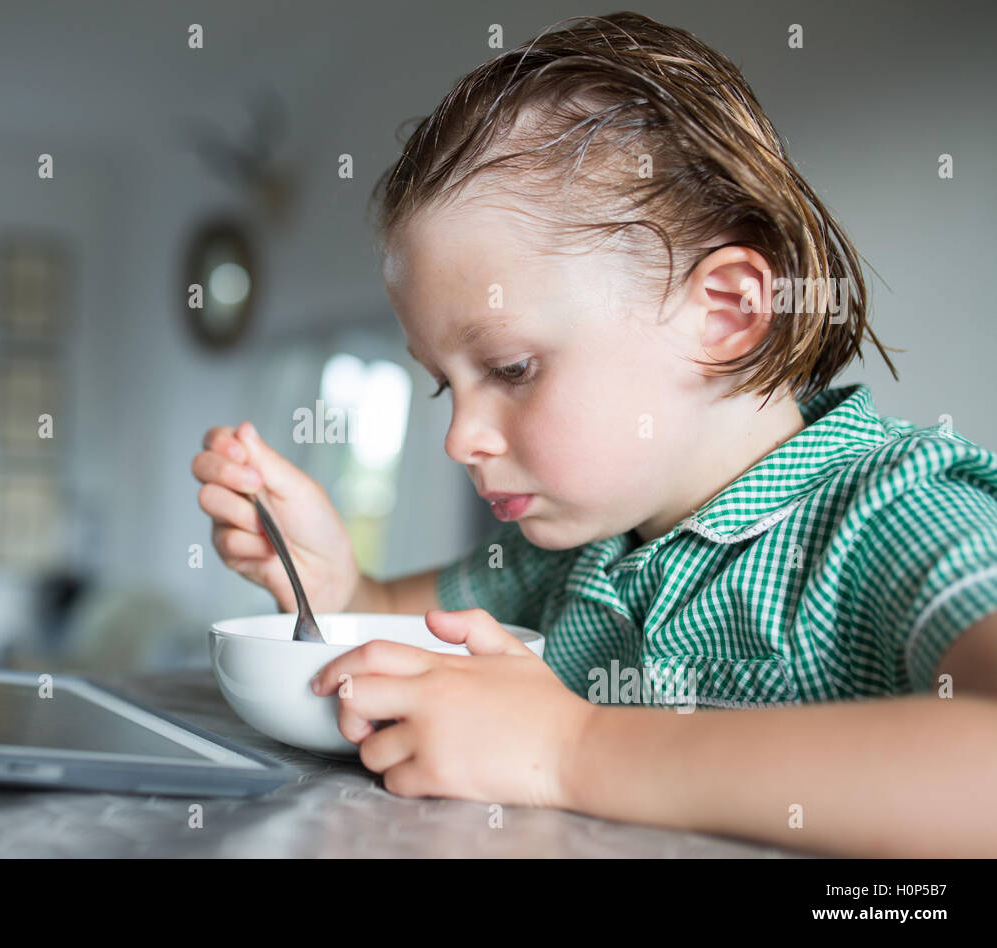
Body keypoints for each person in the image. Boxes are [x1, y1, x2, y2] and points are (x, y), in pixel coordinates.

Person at [191, 12, 997, 857]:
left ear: (725, 313)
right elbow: (394, 624)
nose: (460, 438)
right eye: (443, 384)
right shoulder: (578, 553)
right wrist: (336, 582)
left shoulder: (900, 520)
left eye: (510, 369)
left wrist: (565, 749)